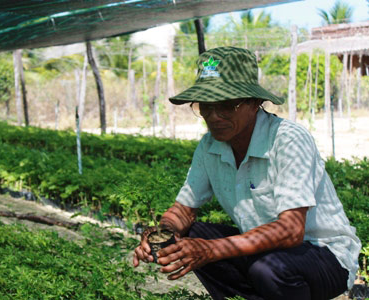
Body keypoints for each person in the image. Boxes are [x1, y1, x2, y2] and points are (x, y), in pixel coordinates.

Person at [133, 46, 361, 300]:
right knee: (193, 236)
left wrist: (211, 250)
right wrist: (163, 233)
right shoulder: (210, 146)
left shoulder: (287, 140)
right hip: (263, 251)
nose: (213, 116)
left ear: (254, 103)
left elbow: (291, 230)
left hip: (323, 254)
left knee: (268, 269)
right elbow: (183, 211)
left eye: (226, 106)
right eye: (205, 106)